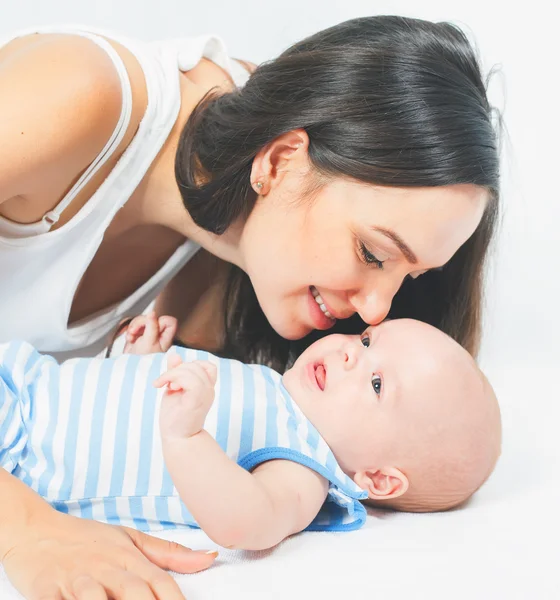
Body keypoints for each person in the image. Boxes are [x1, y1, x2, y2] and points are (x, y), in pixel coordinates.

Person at [0, 14, 500, 600]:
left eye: (407, 277)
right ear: (281, 160)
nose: (374, 313)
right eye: (371, 252)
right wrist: (25, 530)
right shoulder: (71, 100)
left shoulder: (239, 270)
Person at [1, 315, 501, 552]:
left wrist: (185, 435)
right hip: (30, 380)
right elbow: (122, 417)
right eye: (367, 339)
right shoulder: (275, 388)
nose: (351, 352)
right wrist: (135, 367)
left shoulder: (302, 469)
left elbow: (249, 524)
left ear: (379, 479)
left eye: (375, 383)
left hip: (27, 454)